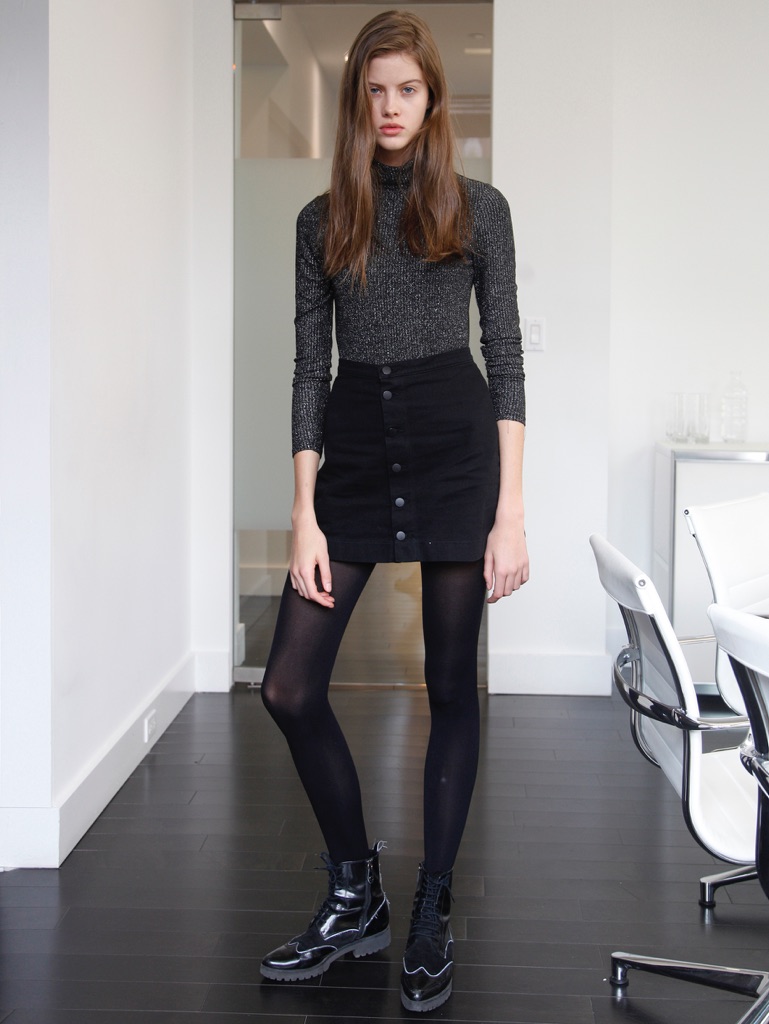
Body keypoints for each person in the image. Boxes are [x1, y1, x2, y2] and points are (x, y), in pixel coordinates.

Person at [259, 9, 528, 1013]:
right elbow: (307, 369)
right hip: (356, 452)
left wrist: (510, 513)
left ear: (431, 97)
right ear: (355, 100)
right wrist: (303, 511)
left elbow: (506, 360)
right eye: (374, 91)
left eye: (406, 90)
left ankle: (431, 909)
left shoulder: (479, 209)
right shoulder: (320, 219)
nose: (389, 108)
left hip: (457, 451)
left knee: (449, 686)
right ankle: (355, 892)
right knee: (288, 686)